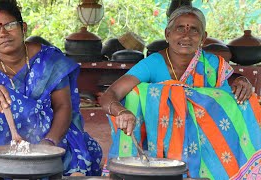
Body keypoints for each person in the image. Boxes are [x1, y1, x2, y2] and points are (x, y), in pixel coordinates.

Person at [100, 6, 260, 179]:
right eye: (180, 28)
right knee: (135, 93)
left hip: (205, 150)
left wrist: (241, 81)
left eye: (194, 29)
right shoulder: (152, 63)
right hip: (158, 151)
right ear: (167, 34)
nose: (186, 35)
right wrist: (121, 111)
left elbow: (228, 89)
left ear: (203, 38)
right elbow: (111, 94)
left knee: (246, 99)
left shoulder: (212, 64)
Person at [0, 1, 102, 176]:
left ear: (23, 28)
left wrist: (49, 143)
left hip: (48, 142)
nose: (3, 33)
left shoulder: (48, 60)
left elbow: (63, 106)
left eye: (10, 25)